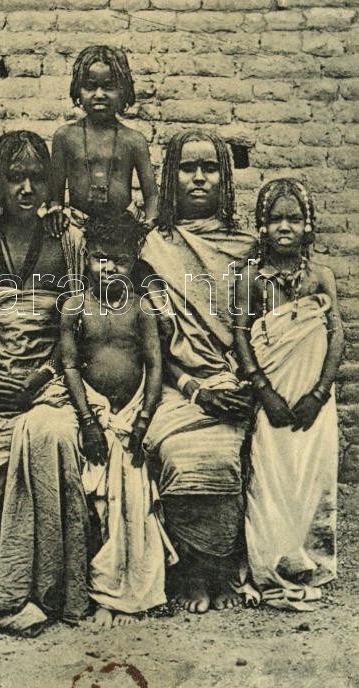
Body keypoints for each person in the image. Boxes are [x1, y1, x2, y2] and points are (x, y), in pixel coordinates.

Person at [0, 131, 90, 635]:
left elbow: (76, 331)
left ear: (50, 183)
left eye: (36, 178)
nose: (26, 189)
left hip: (48, 374)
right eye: (14, 178)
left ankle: (50, 586)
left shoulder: (65, 244)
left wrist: (39, 378)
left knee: (55, 436)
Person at [33, 210, 175, 628]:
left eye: (120, 260)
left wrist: (142, 420)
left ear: (135, 261)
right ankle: (97, 591)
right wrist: (89, 421)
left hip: (132, 411)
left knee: (132, 494)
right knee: (96, 496)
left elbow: (155, 365)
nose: (109, 268)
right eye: (99, 258)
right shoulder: (75, 307)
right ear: (86, 258)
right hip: (92, 408)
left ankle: (130, 593)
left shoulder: (141, 308)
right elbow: (70, 366)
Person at [142, 129, 255, 613]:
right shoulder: (155, 247)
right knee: (182, 453)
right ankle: (191, 570)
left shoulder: (248, 247)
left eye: (210, 168)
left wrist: (248, 384)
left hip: (237, 380)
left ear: (225, 178)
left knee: (234, 451)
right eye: (188, 168)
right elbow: (153, 345)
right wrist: (195, 390)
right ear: (171, 177)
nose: (199, 178)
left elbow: (262, 331)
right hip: (179, 385)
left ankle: (222, 567)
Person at [233, 178, 343, 610]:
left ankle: (309, 560)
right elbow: (241, 337)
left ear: (307, 225)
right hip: (274, 398)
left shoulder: (320, 277)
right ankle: (273, 563)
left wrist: (319, 393)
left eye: (294, 219)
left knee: (311, 477)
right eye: (275, 219)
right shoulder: (251, 279)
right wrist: (265, 393)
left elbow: (336, 338)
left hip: (314, 400)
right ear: (262, 225)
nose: (284, 227)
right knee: (272, 476)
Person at [46, 45, 158, 236]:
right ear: (78, 90)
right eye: (90, 87)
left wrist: (149, 226)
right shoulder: (65, 137)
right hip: (77, 227)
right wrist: (55, 213)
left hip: (122, 231)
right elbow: (55, 197)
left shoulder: (134, 140)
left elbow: (152, 196)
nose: (99, 95)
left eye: (108, 87)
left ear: (123, 91)